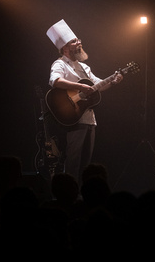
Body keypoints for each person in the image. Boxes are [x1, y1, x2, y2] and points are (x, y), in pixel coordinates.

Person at [46, 19, 123, 183]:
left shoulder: (84, 67)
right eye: (74, 41)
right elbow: (55, 81)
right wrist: (79, 87)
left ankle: (82, 193)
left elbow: (98, 86)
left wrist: (113, 81)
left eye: (78, 39)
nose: (79, 42)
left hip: (89, 119)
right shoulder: (60, 64)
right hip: (73, 118)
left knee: (85, 163)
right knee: (73, 161)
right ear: (65, 48)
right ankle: (68, 191)